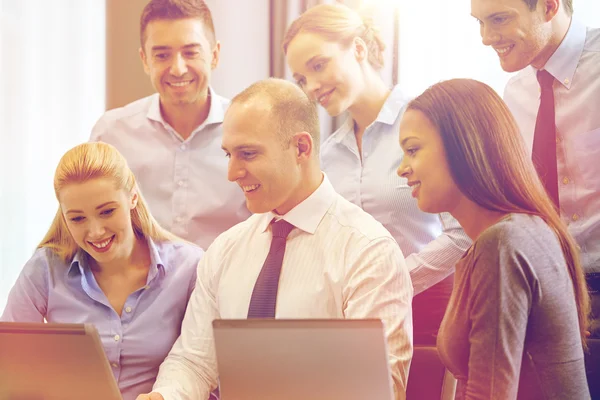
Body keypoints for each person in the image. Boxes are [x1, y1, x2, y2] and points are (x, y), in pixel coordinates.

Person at [135, 78, 413, 400]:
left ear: (301, 148)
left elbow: (378, 392)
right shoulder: (226, 250)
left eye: (248, 154)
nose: (232, 172)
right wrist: (164, 396)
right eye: (229, 155)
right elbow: (195, 361)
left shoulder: (368, 252)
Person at [283, 3, 471, 344]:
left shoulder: (428, 122)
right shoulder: (326, 155)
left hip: (432, 317)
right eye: (300, 79)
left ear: (358, 48)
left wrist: (391, 281)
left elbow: (463, 233)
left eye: (318, 65)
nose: (310, 86)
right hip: (353, 322)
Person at [397, 78, 590, 399]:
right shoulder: (522, 231)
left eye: (412, 150)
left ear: (464, 144)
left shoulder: (503, 244)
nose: (402, 169)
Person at [1, 142, 203, 400]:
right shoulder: (45, 269)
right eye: (77, 218)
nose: (95, 232)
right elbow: (10, 364)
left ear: (132, 197)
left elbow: (203, 365)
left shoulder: (188, 267)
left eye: (107, 212)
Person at [471, 0, 600, 394]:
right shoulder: (515, 93)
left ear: (548, 6)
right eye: (480, 23)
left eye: (499, 19)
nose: (486, 38)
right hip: (556, 292)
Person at [91, 0, 250, 250]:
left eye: (191, 52)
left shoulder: (251, 131)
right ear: (145, 60)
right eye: (162, 55)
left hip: (229, 286)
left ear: (215, 55)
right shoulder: (111, 134)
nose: (177, 68)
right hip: (139, 288)